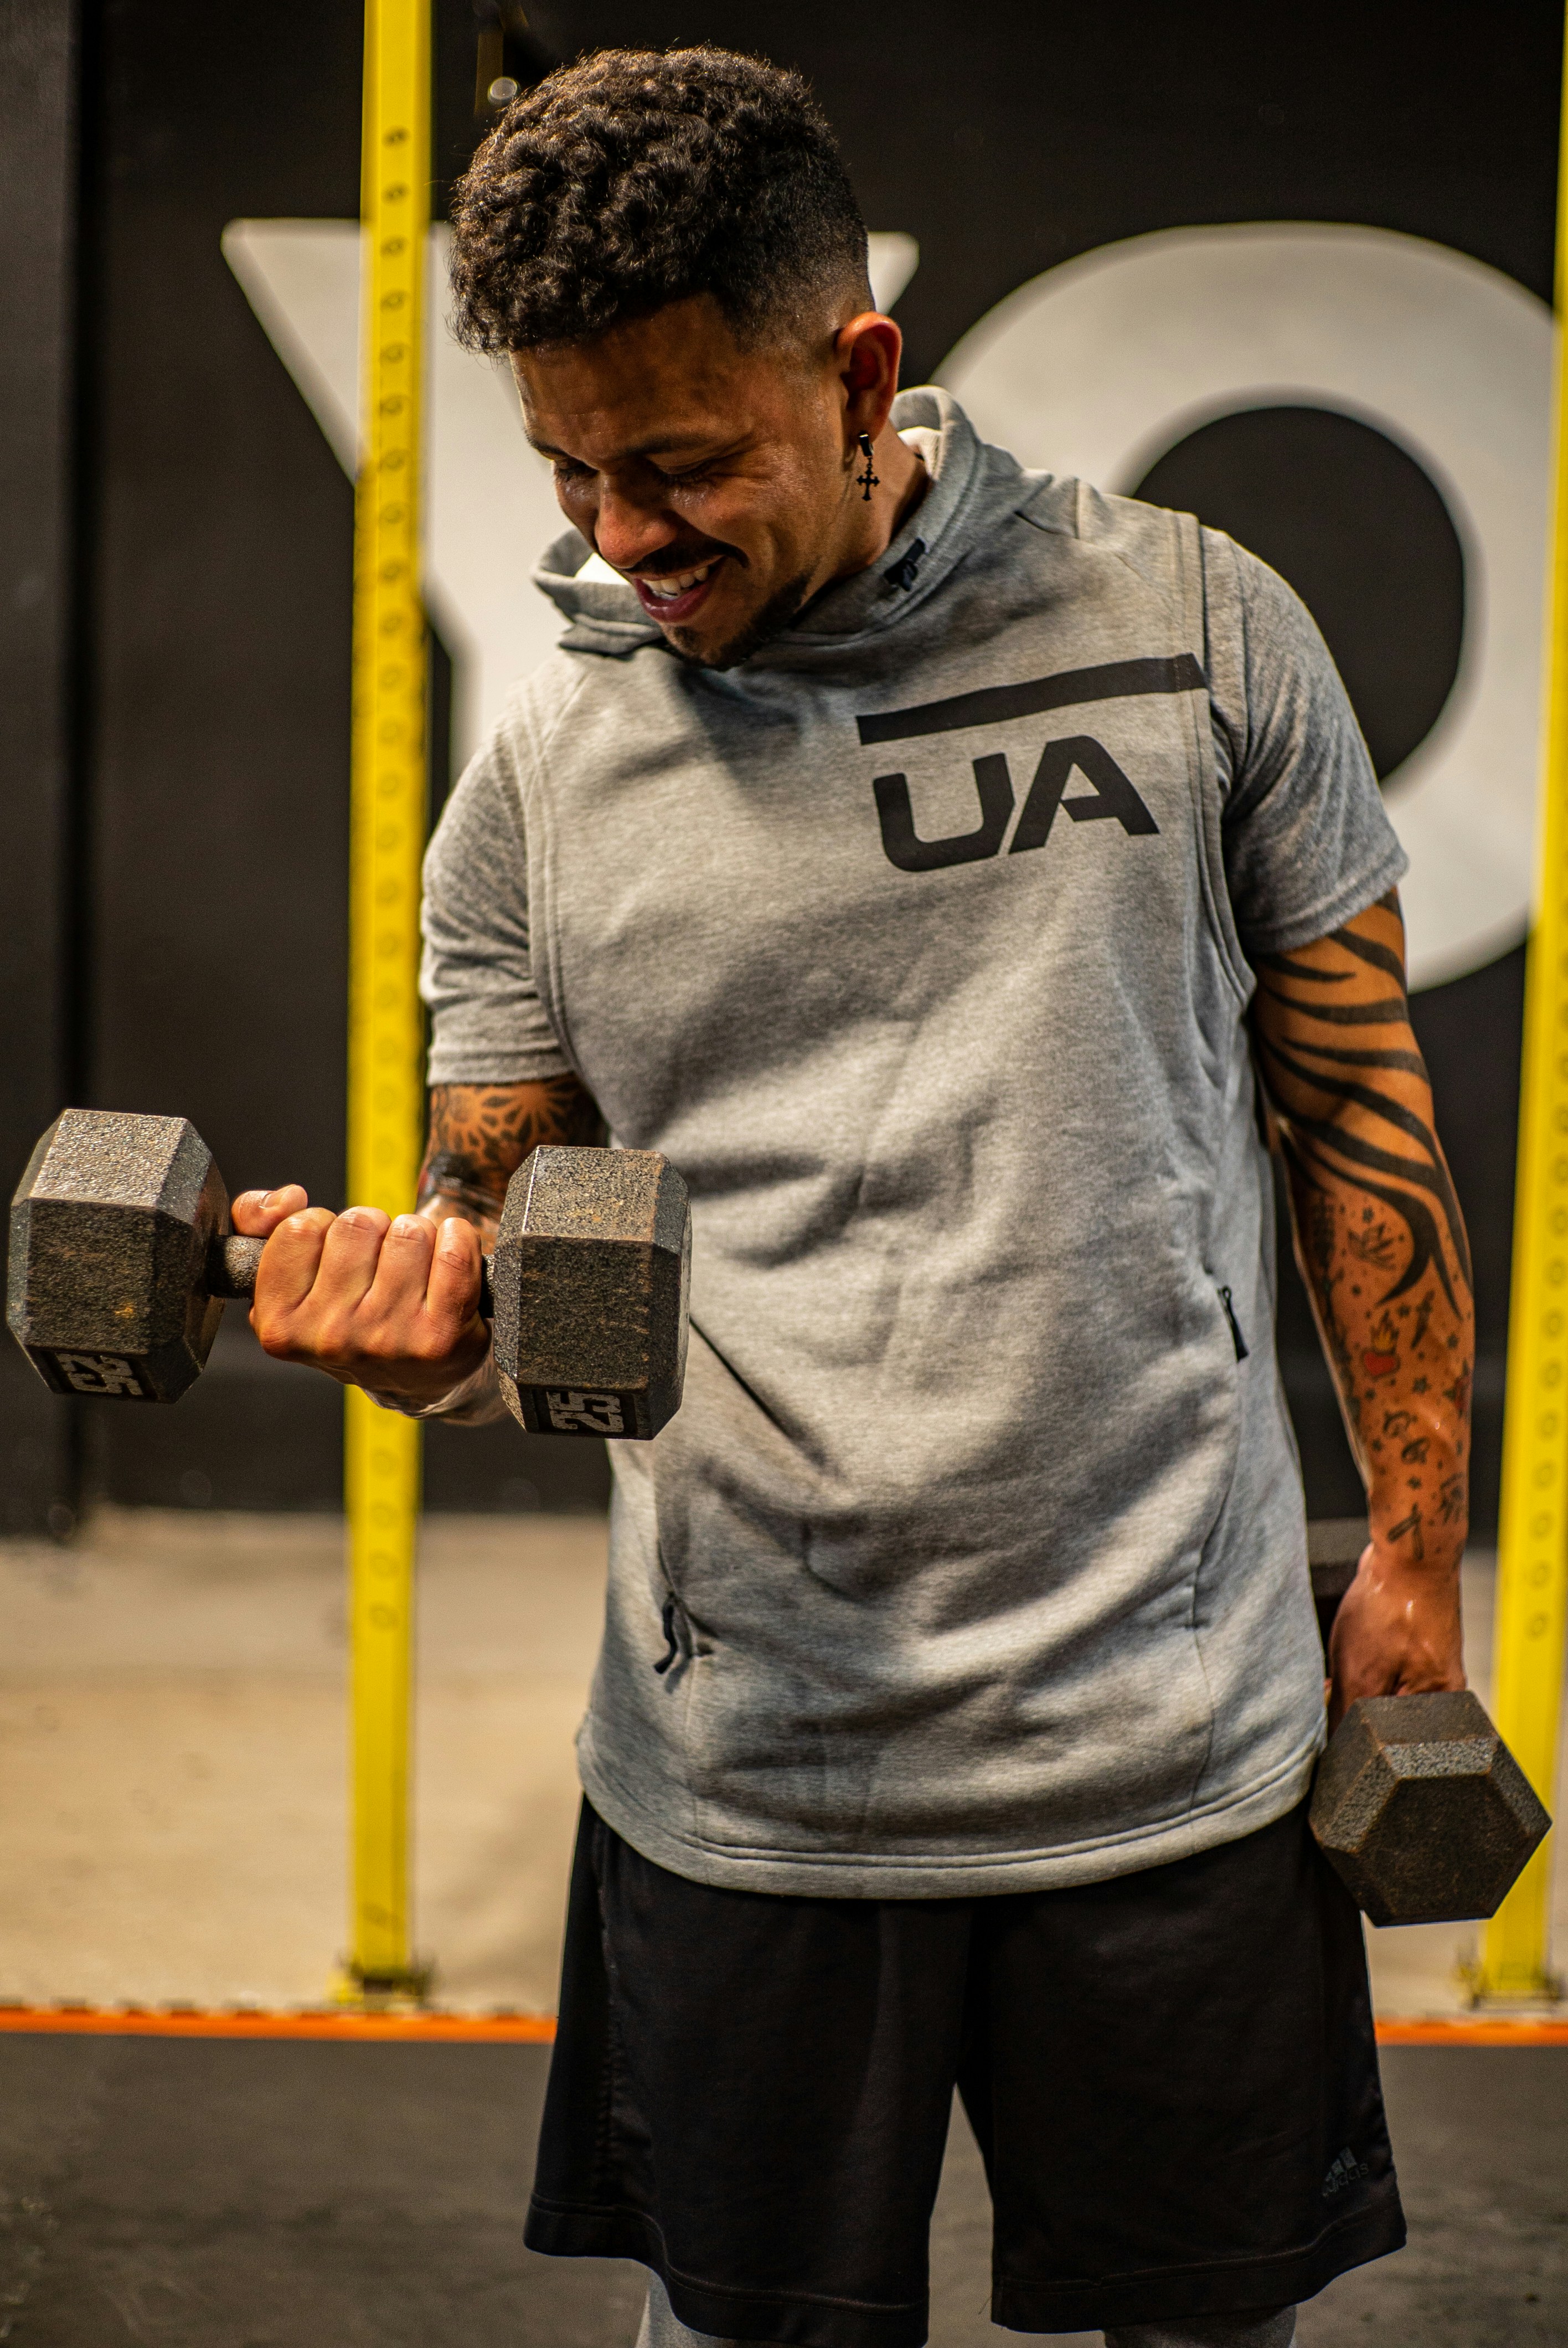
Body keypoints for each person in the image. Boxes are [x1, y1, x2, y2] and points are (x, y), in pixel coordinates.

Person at [234, 45, 1473, 2348]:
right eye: (573, 469)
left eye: (683, 462)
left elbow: (1361, 1116)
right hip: (756, 1782)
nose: (624, 534)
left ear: (862, 375)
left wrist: (1415, 1545)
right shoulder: (542, 797)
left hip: (1174, 1750)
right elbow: (516, 1283)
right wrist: (412, 1341)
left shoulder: (1196, 626)